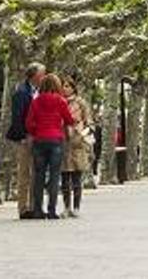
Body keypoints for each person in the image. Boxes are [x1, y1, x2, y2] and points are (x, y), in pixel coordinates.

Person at [24, 73, 74, 219]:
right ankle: (52, 210)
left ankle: (38, 210)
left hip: (39, 140)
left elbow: (28, 123)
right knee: (54, 176)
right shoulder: (61, 101)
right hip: (56, 140)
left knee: (38, 176)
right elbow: (69, 120)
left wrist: (36, 131)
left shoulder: (36, 101)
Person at [6, 62, 45, 219]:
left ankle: (35, 205)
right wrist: (23, 136)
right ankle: (23, 208)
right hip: (26, 138)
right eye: (42, 74)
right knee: (24, 173)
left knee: (37, 172)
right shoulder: (21, 92)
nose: (44, 76)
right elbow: (17, 116)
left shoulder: (39, 91)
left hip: (39, 137)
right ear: (34, 75)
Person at [60, 77, 92, 217]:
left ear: (73, 88)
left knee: (77, 178)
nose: (65, 88)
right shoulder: (59, 102)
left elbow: (89, 122)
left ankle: (77, 207)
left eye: (68, 86)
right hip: (63, 142)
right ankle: (66, 207)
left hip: (78, 142)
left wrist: (83, 133)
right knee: (65, 178)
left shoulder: (81, 103)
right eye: (64, 86)